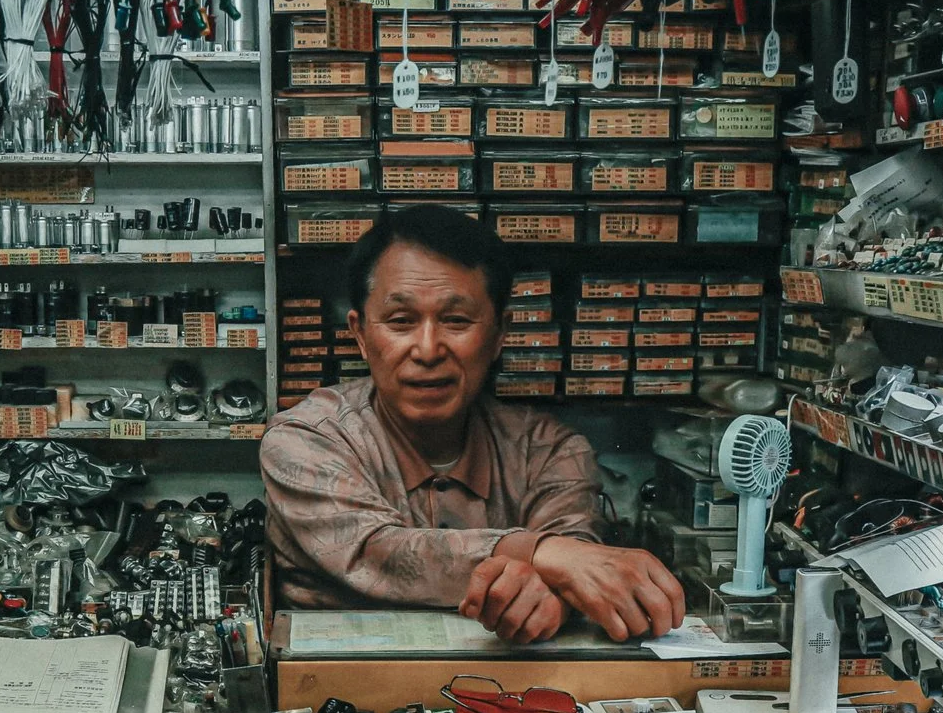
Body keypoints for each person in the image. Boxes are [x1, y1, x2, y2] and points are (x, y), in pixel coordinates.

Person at [260, 205, 688, 645]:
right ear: (361, 335)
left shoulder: (549, 450)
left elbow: (578, 562)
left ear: (500, 332)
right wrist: (542, 553)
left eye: (456, 320)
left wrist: (552, 597)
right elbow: (376, 551)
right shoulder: (305, 441)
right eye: (401, 321)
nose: (427, 350)